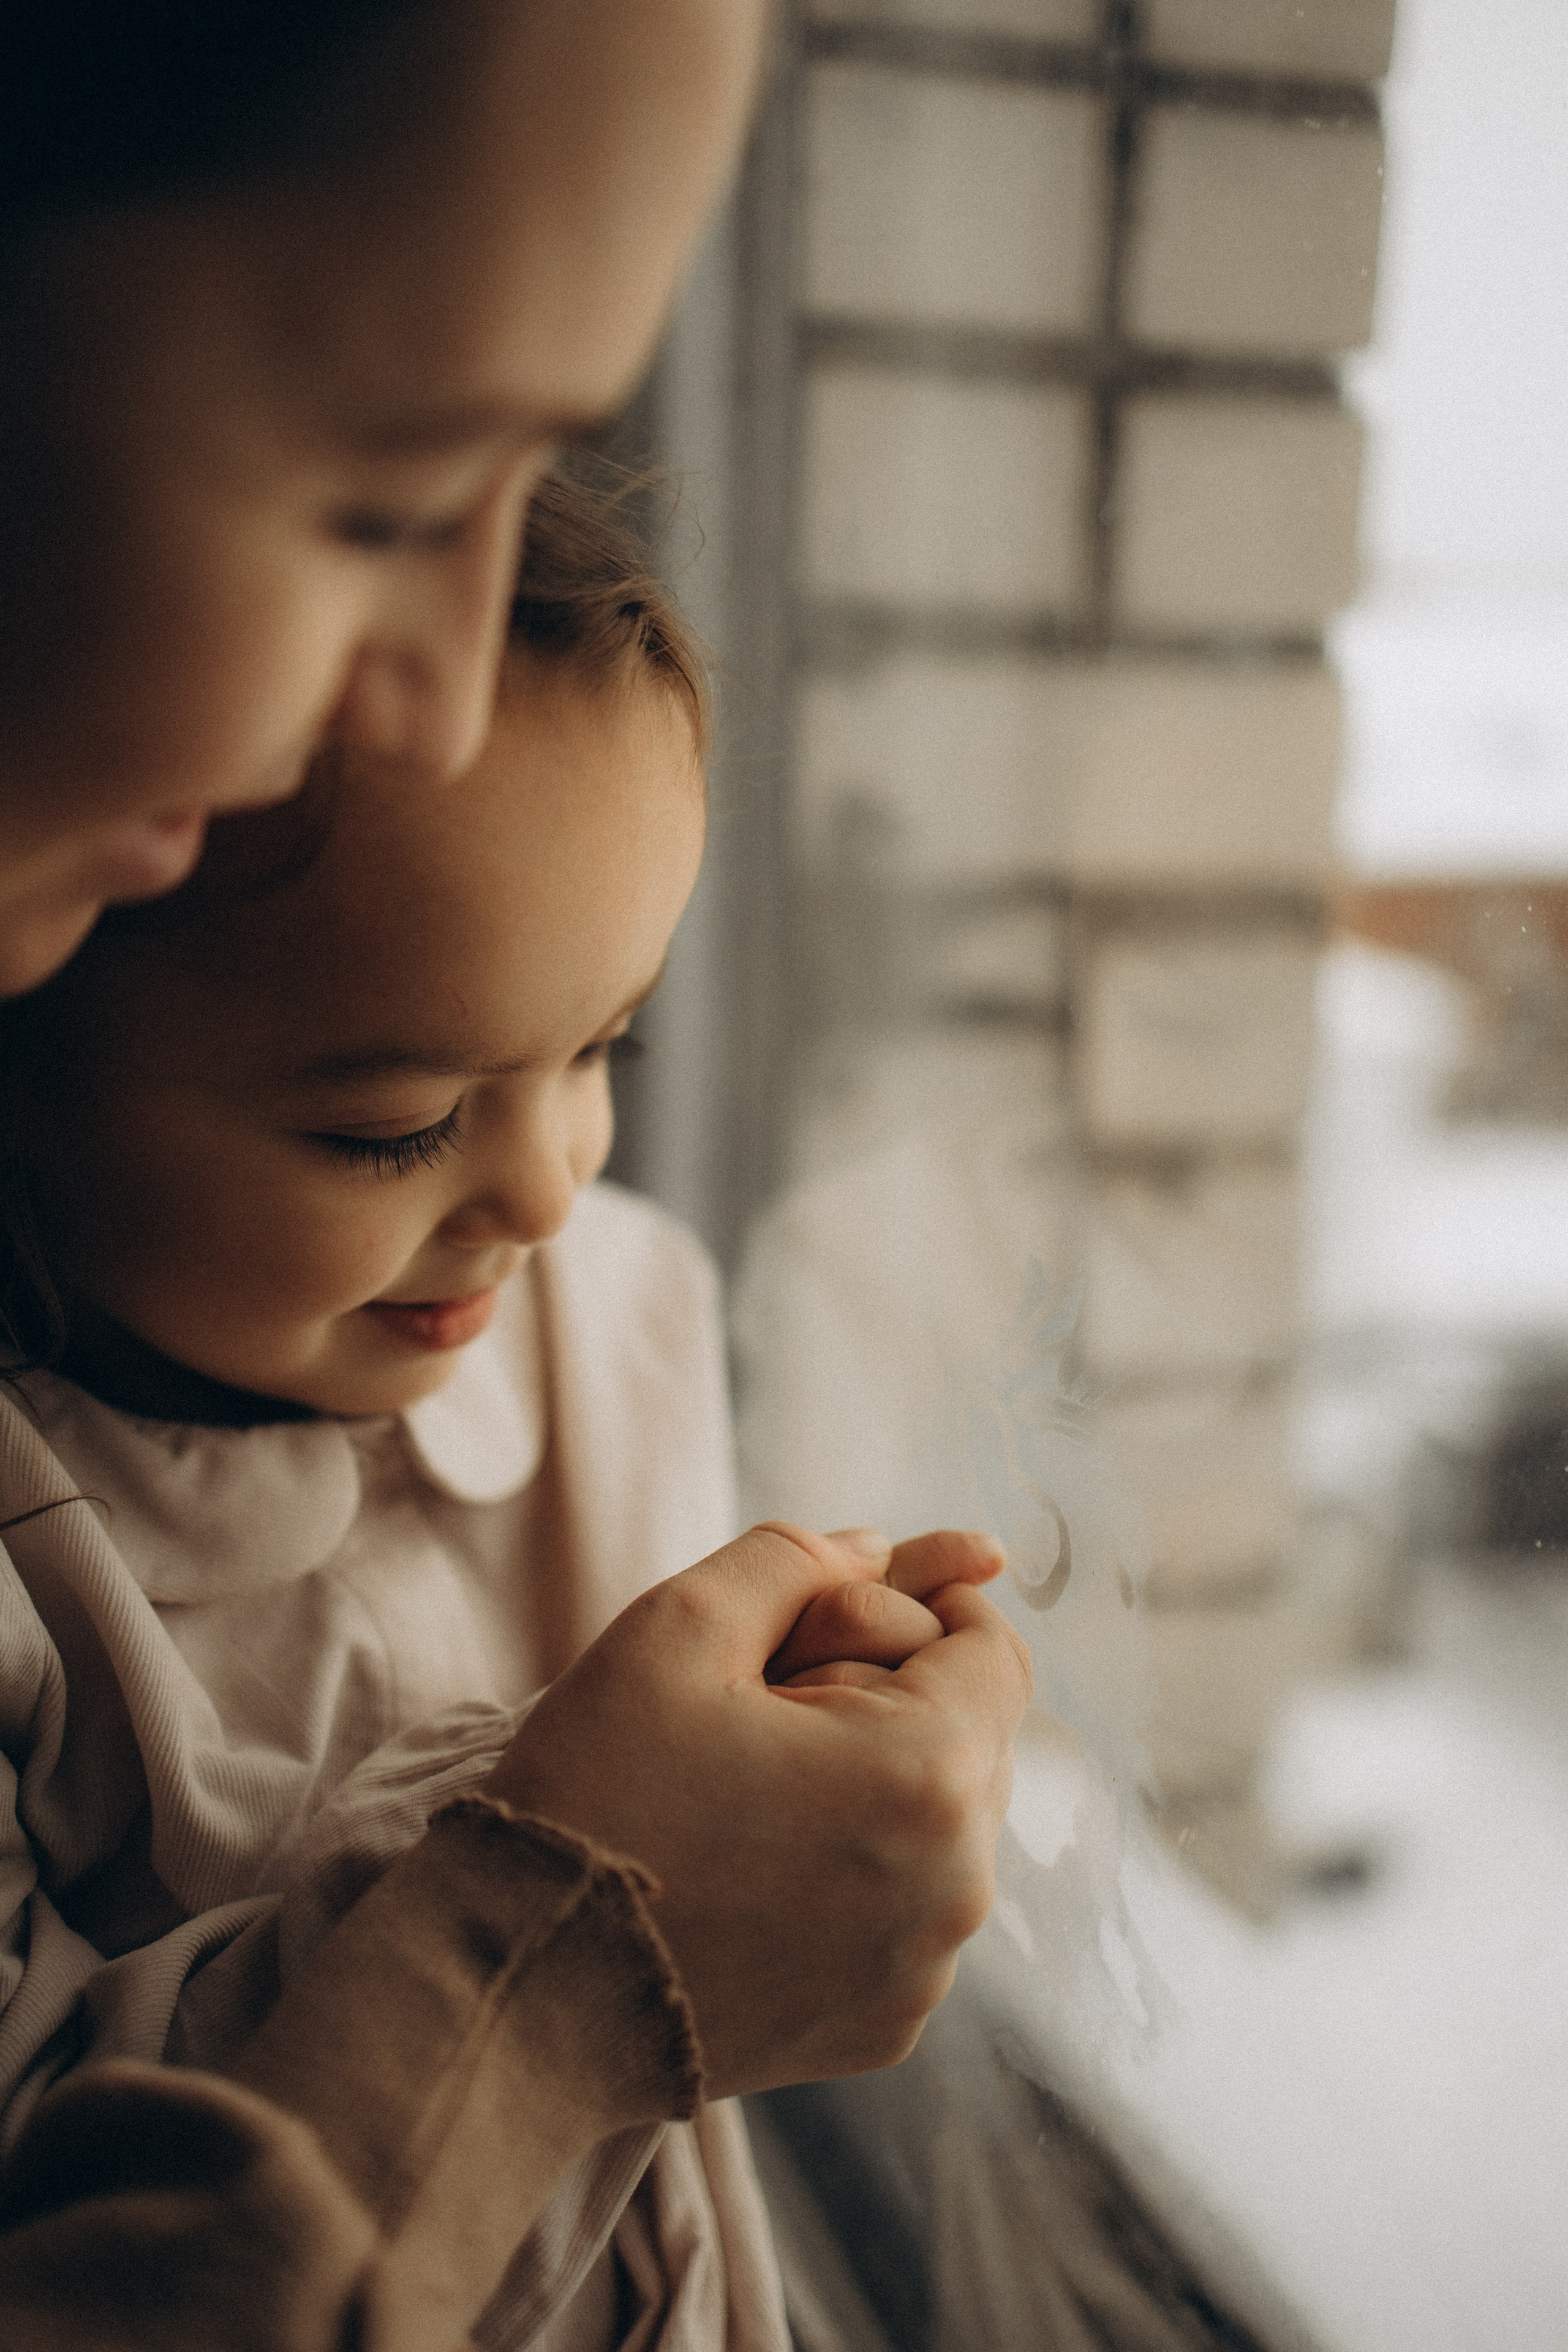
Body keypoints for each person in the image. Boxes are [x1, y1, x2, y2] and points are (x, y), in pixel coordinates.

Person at [0, 13, 1033, 2345]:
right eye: (386, 1126)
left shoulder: (611, 1317)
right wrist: (589, 1925)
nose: (554, 1190)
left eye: (608, 1054)